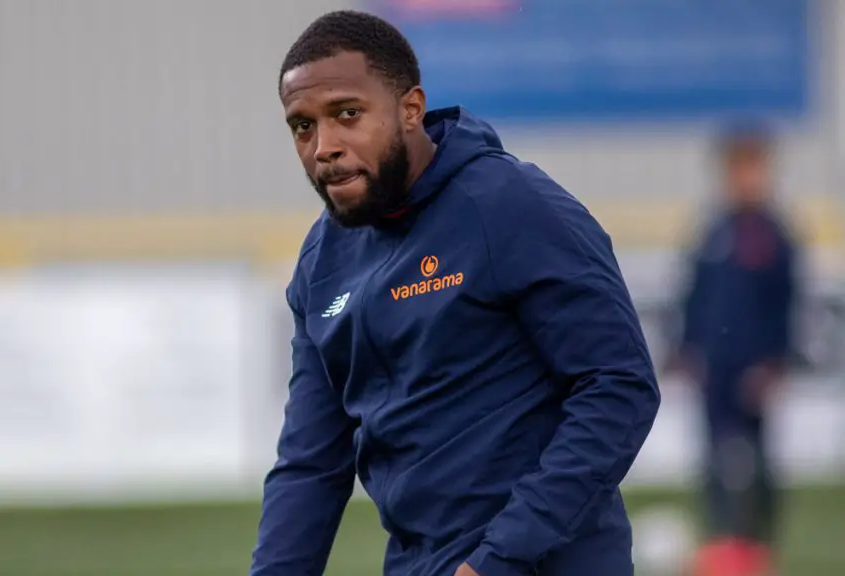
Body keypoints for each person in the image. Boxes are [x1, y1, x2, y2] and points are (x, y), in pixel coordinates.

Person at [249, 10, 661, 576]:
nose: (325, 146)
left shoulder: (511, 206)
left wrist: (498, 557)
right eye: (303, 126)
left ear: (410, 110)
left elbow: (619, 388)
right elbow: (310, 463)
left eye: (348, 114)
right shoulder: (322, 263)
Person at [671, 124, 798, 576]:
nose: (746, 179)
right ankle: (722, 546)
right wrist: (685, 347)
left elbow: (785, 303)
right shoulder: (713, 230)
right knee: (714, 460)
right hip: (715, 366)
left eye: (753, 169)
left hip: (754, 367)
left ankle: (759, 545)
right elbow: (694, 294)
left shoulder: (774, 234)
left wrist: (773, 362)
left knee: (756, 462)